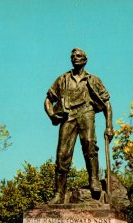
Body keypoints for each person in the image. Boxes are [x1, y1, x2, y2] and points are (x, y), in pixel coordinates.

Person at [44, 48, 114, 204]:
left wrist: (109, 126)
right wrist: (52, 115)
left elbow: (107, 104)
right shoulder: (62, 79)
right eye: (73, 56)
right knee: (62, 155)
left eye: (78, 56)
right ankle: (59, 193)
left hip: (86, 113)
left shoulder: (93, 80)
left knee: (90, 144)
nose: (75, 58)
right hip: (68, 116)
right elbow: (48, 100)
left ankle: (94, 180)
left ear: (85, 60)